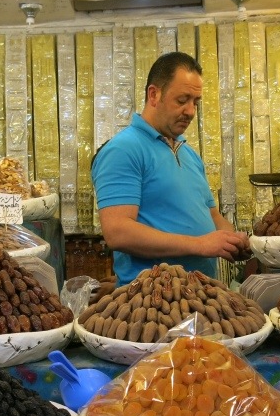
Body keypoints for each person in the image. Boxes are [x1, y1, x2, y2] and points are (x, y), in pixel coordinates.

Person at [91, 51, 250, 285]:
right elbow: (118, 232)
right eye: (182, 100)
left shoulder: (190, 155)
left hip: (202, 294)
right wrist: (200, 244)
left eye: (195, 102)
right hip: (153, 298)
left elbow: (213, 216)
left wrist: (234, 240)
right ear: (154, 95)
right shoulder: (123, 149)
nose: (191, 111)